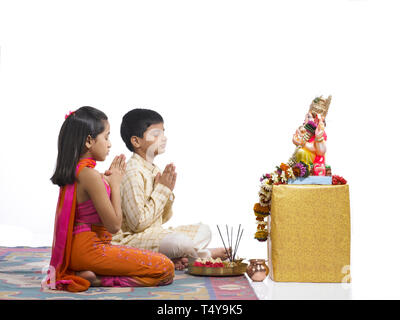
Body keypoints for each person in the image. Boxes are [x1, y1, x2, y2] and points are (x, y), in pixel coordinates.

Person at [45, 106, 174, 292]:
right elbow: (114, 226)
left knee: (153, 261)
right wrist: (115, 184)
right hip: (91, 251)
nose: (110, 144)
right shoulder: (90, 176)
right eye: (106, 137)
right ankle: (98, 279)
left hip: (81, 251)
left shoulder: (82, 173)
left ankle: (83, 273)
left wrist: (109, 180)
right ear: (89, 141)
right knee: (165, 268)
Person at [111, 108, 228, 270]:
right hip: (132, 239)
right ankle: (203, 255)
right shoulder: (132, 172)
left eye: (163, 133)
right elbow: (137, 224)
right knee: (180, 242)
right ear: (136, 141)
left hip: (153, 234)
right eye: (156, 134)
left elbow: (164, 218)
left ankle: (177, 257)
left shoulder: (153, 169)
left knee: (204, 230)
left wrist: (166, 191)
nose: (163, 139)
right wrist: (162, 190)